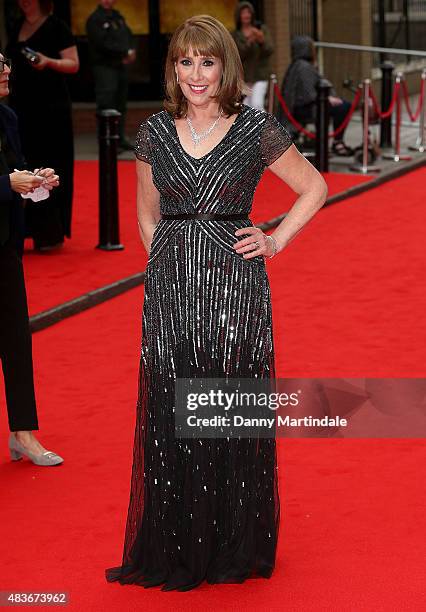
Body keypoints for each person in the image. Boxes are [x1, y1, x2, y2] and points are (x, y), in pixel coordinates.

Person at [105, 15, 327, 591]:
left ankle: (232, 541)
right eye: (185, 61)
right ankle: (178, 542)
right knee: (172, 415)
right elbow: (146, 215)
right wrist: (166, 272)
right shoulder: (153, 132)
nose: (196, 74)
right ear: (173, 69)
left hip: (236, 290)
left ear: (226, 66)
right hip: (172, 292)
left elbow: (315, 187)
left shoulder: (254, 129)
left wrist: (274, 239)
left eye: (207, 61)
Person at [0, 50, 63, 466]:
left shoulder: (7, 117)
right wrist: (7, 182)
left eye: (6, 62)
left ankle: (23, 433)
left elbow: (16, 172)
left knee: (16, 341)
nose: (7, 69)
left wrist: (36, 182)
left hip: (5, 242)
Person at [6, 0, 79, 251]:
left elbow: (74, 63)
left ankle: (50, 233)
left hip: (51, 109)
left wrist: (48, 61)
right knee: (22, 162)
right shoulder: (16, 26)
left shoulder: (57, 27)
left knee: (50, 164)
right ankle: (25, 229)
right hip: (20, 108)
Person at [277, 35, 354, 156]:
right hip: (305, 107)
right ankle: (337, 142)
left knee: (339, 106)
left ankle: (332, 143)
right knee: (344, 107)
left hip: (305, 105)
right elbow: (309, 94)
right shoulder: (303, 67)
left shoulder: (298, 65)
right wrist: (328, 98)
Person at [86, 0, 136, 152]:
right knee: (107, 105)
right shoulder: (95, 19)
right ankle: (107, 142)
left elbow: (128, 35)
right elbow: (102, 44)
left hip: (119, 66)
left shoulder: (117, 16)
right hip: (104, 68)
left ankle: (119, 139)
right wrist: (124, 52)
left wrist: (131, 49)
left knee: (120, 104)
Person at [232, 1, 274, 110]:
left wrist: (261, 41)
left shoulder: (261, 29)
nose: (246, 15)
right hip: (244, 76)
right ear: (239, 15)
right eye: (243, 13)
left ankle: (264, 126)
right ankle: (252, 127)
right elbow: (238, 55)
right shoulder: (235, 35)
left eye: (248, 12)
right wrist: (249, 43)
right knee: (246, 106)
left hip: (260, 75)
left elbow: (269, 50)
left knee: (257, 103)